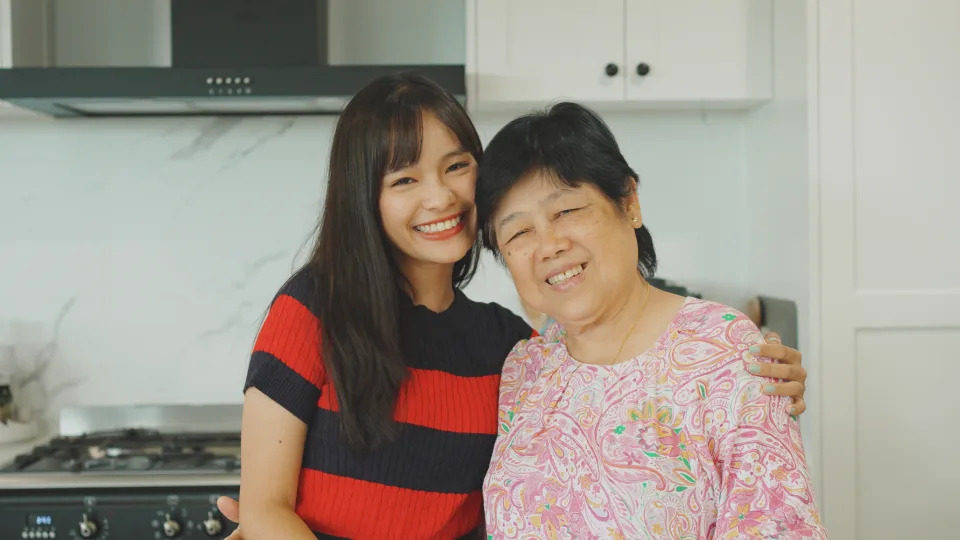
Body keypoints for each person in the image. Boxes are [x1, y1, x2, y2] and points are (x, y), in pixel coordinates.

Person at [219, 74, 810, 539]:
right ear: (364, 198)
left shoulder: (510, 349)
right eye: (403, 180)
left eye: (456, 167)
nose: (439, 195)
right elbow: (266, 509)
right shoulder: (321, 308)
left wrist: (755, 373)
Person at [476, 102, 825, 538]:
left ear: (629, 202)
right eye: (518, 232)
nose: (548, 245)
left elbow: (778, 526)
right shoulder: (522, 369)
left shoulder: (724, 350)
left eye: (566, 211)